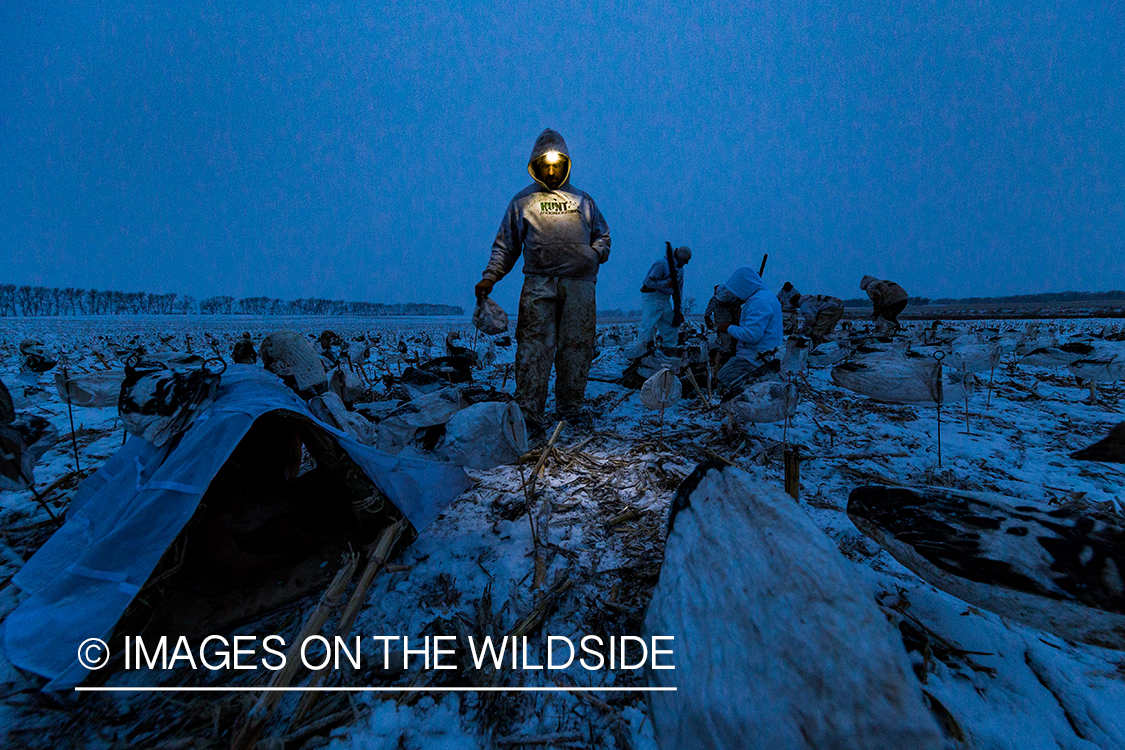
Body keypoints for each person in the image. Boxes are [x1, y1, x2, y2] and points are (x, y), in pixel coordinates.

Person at [474, 128, 611, 425]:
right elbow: (506, 245)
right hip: (539, 282)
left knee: (577, 346)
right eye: (544, 165)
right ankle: (529, 412)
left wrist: (594, 254)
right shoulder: (523, 201)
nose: (550, 172)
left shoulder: (583, 201)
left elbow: (603, 236)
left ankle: (570, 409)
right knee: (533, 345)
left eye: (556, 165)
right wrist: (490, 276)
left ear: (566, 165)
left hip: (580, 285)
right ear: (536, 165)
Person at [714, 268, 784, 387]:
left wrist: (729, 328)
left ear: (743, 287)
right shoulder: (765, 297)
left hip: (755, 360)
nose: (737, 299)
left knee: (721, 380)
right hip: (763, 356)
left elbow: (752, 335)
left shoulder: (759, 301)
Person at [704, 266, 766, 363]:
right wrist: (707, 317)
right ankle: (724, 356)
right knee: (725, 337)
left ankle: (734, 353)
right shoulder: (723, 295)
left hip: (733, 314)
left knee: (737, 335)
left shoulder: (738, 293)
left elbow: (740, 307)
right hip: (723, 315)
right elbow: (712, 303)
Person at [639, 244, 691, 348]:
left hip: (665, 299)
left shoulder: (680, 270)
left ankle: (670, 350)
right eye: (685, 260)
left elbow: (678, 290)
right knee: (647, 326)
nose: (685, 263)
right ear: (679, 257)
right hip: (652, 298)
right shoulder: (662, 264)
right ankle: (640, 351)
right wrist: (666, 284)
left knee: (670, 326)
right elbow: (647, 282)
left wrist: (678, 309)